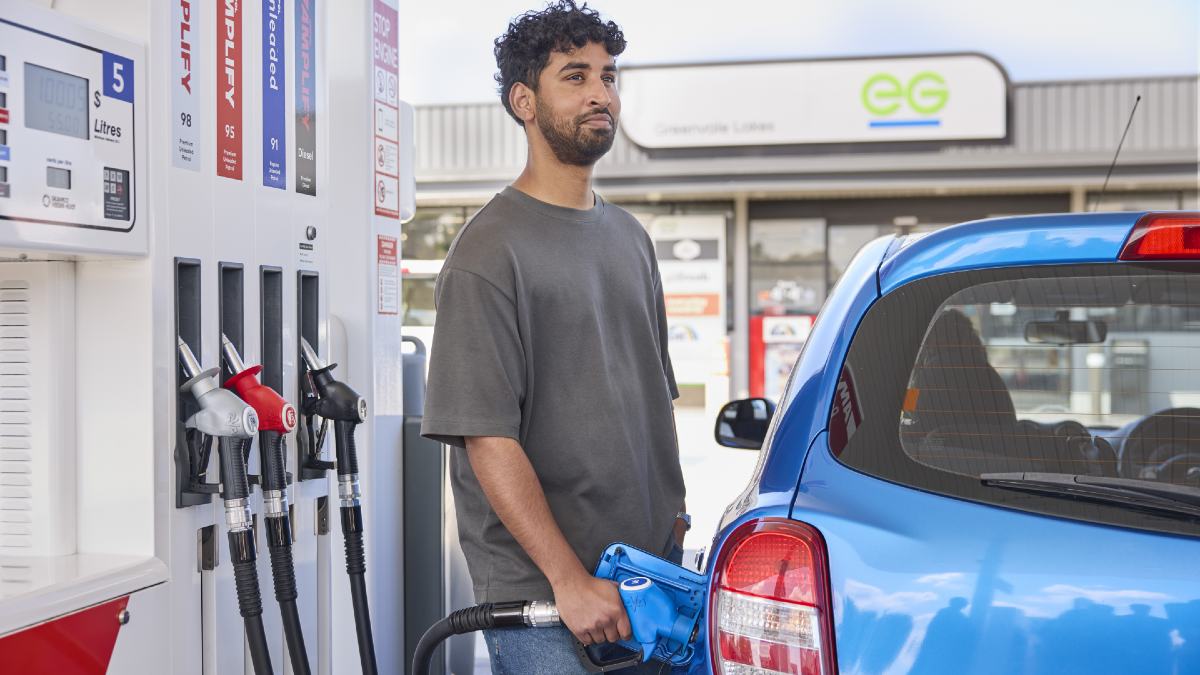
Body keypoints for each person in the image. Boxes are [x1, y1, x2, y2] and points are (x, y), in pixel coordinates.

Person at [420, 2, 688, 673]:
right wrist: (569, 581)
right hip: (546, 603)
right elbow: (487, 438)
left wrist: (676, 523)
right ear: (525, 102)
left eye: (609, 75)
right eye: (575, 76)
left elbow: (655, 396)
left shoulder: (630, 238)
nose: (602, 93)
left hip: (648, 586)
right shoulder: (488, 251)